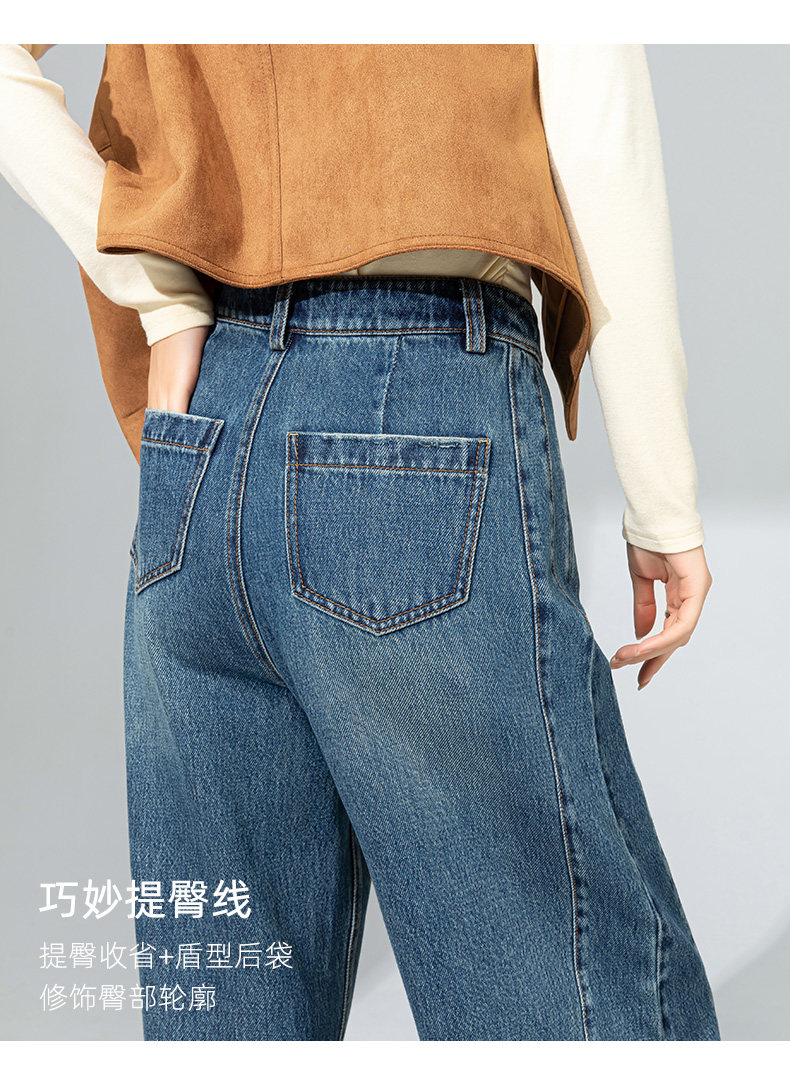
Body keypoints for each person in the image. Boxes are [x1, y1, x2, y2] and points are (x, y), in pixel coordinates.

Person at [0, 43, 719, 1041]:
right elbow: (600, 140)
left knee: (226, 1021)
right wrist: (662, 499)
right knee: (569, 999)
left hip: (202, 432)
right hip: (413, 400)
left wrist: (157, 297)